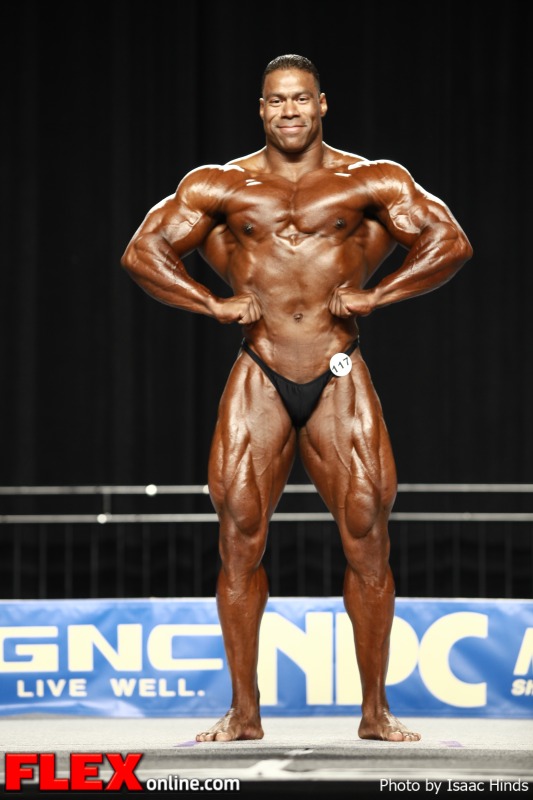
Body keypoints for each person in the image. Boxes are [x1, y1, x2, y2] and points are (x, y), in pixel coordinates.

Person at [121, 54, 473, 743]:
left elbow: (450, 241)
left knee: (368, 535)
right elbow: (142, 252)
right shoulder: (221, 184)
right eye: (277, 101)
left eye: (300, 99)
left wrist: (379, 295)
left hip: (339, 369)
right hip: (259, 369)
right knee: (238, 538)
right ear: (261, 109)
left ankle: (375, 713)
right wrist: (209, 303)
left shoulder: (368, 179)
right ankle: (243, 713)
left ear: (321, 104)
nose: (289, 111)